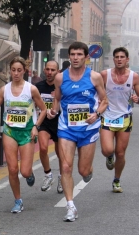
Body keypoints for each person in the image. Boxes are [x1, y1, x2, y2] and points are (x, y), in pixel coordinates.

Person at [47, 42, 108, 221]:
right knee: (65, 166)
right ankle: (71, 206)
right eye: (72, 54)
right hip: (66, 128)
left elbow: (105, 101)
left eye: (79, 54)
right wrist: (53, 111)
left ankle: (88, 170)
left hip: (88, 129)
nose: (75, 57)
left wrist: (96, 114)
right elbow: (57, 99)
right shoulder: (60, 78)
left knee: (83, 171)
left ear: (86, 57)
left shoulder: (95, 77)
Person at [0, 56, 46, 213]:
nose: (16, 73)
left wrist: (36, 126)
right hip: (10, 131)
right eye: (13, 70)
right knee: (13, 169)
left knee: (24, 171)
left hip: (27, 132)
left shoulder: (31, 89)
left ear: (24, 71)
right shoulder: (4, 89)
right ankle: (18, 201)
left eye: (19, 70)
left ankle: (29, 173)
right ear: (10, 71)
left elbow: (43, 109)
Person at [100, 47, 139, 193]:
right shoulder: (105, 75)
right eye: (116, 57)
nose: (119, 59)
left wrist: (138, 99)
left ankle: (116, 180)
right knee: (107, 150)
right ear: (113, 59)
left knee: (120, 153)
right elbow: (95, 92)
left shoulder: (134, 77)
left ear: (127, 59)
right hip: (107, 116)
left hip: (124, 118)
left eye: (122, 57)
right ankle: (109, 156)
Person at [35, 60, 63, 193]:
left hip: (59, 122)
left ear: (58, 72)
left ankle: (62, 177)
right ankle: (48, 175)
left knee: (60, 153)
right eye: (47, 69)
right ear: (44, 70)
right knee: (43, 147)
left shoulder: (61, 86)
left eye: (53, 70)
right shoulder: (38, 86)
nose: (49, 72)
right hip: (44, 122)